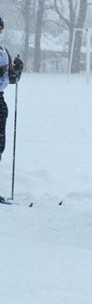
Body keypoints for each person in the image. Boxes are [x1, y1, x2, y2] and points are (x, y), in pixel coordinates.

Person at [0, 17, 23, 205]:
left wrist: (17, 70)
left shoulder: (3, 51)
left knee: (0, 145)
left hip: (0, 101)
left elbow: (11, 79)